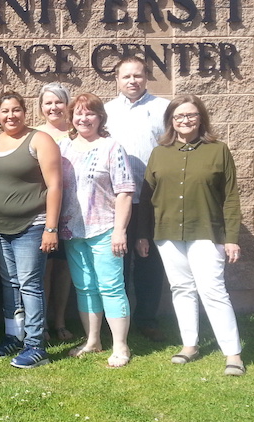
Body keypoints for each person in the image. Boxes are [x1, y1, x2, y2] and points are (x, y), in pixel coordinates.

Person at [137, 95, 245, 376]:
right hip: (167, 231)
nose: (185, 121)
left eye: (191, 115)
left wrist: (231, 237)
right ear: (171, 121)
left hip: (207, 232)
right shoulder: (159, 153)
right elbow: (146, 197)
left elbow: (231, 198)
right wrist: (142, 235)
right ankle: (189, 345)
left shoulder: (219, 150)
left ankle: (233, 353)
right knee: (181, 289)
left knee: (213, 291)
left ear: (201, 118)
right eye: (178, 116)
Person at [0, 91, 61, 369]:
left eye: (16, 110)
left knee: (30, 285)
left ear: (25, 112)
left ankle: (36, 345)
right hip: (0, 228)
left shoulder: (40, 140)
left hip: (32, 226)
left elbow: (55, 186)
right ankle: (13, 336)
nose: (11, 116)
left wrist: (51, 228)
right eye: (5, 111)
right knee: (10, 284)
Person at [59, 93, 134, 368]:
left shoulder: (112, 147)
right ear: (72, 118)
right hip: (72, 230)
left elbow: (125, 191)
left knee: (111, 287)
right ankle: (92, 341)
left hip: (105, 228)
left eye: (89, 113)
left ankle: (120, 345)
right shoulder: (62, 147)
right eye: (78, 113)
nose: (83, 118)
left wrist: (120, 230)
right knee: (85, 287)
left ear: (100, 117)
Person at [104, 56, 169, 342]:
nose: (133, 81)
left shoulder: (163, 109)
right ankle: (118, 319)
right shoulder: (106, 112)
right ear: (116, 80)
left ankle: (147, 319)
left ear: (146, 77)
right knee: (116, 260)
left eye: (138, 76)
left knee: (148, 262)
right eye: (126, 76)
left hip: (151, 199)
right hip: (116, 200)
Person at [35, 82, 75, 342]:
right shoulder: (36, 134)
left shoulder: (78, 132)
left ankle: (60, 321)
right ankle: (44, 326)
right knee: (44, 270)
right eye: (48, 103)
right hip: (44, 211)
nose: (53, 107)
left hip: (73, 211)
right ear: (41, 107)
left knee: (64, 269)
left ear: (67, 105)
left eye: (58, 102)